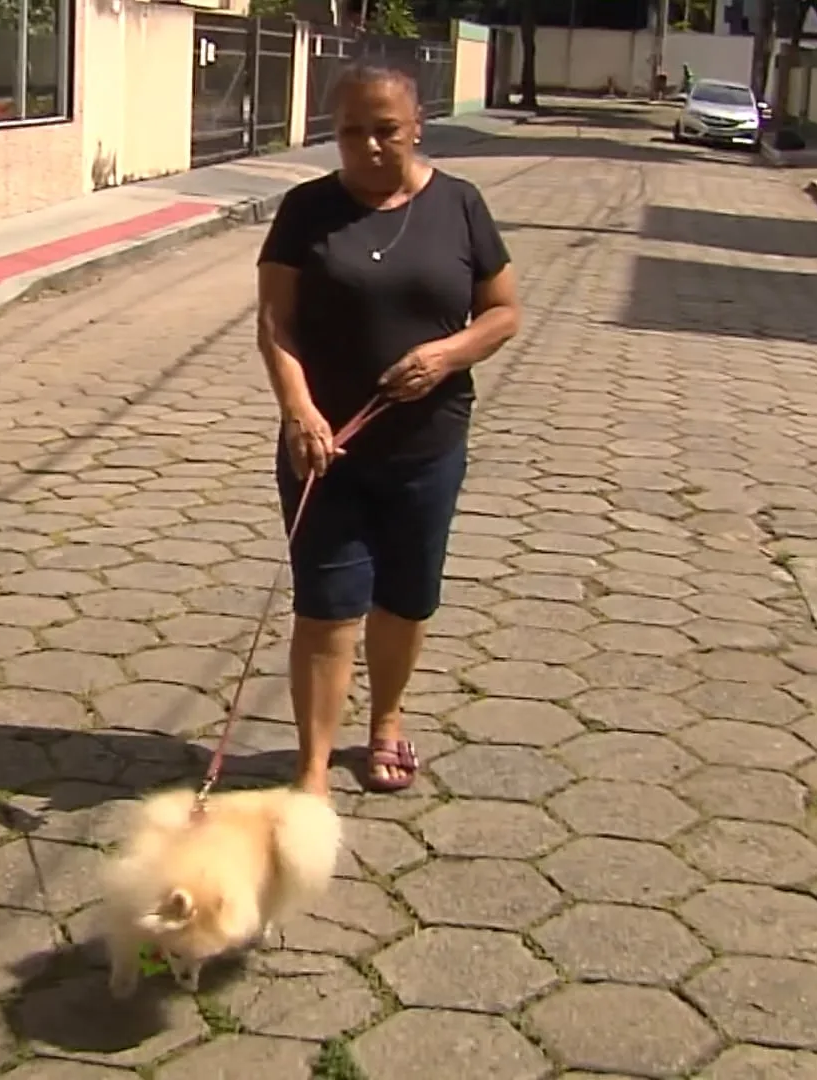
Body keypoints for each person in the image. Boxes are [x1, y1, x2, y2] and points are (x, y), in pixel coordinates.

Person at [255, 63, 521, 796]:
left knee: (405, 597)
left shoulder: (460, 205)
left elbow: (503, 313)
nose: (368, 146)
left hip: (425, 448)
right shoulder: (306, 209)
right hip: (323, 450)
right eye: (350, 132)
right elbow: (275, 324)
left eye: (385, 131)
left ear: (416, 127)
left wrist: (447, 355)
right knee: (326, 603)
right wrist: (298, 411)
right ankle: (311, 767)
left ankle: (387, 723)